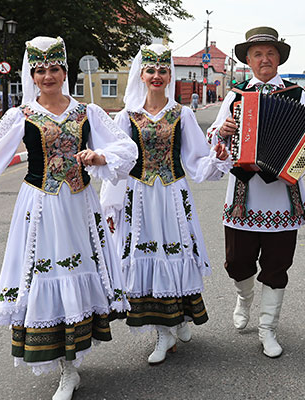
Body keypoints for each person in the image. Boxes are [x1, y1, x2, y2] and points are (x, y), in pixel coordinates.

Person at [0, 36, 137, 400]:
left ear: (65, 72)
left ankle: (73, 365)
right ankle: (66, 371)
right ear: (32, 75)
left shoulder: (88, 113)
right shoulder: (20, 116)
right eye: (40, 70)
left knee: (75, 275)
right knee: (47, 276)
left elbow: (124, 147)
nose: (48, 76)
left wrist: (99, 158)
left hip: (79, 207)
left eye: (54, 69)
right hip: (41, 209)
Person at [99, 44, 231, 365]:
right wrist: (111, 207)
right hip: (139, 197)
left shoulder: (181, 114)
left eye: (162, 70)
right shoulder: (127, 116)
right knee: (147, 257)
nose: (157, 76)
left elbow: (196, 159)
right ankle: (163, 329)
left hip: (172, 195)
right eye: (151, 70)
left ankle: (177, 319)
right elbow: (117, 165)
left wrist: (217, 158)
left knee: (174, 254)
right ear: (141, 75)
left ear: (169, 75)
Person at [207, 26, 305, 358]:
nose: (265, 59)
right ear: (248, 60)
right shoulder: (235, 95)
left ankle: (267, 328)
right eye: (258, 54)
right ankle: (244, 296)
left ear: (279, 59)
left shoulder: (297, 95)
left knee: (277, 264)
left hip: (282, 194)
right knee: (237, 262)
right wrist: (222, 132)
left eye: (270, 53)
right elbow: (214, 139)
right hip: (242, 197)